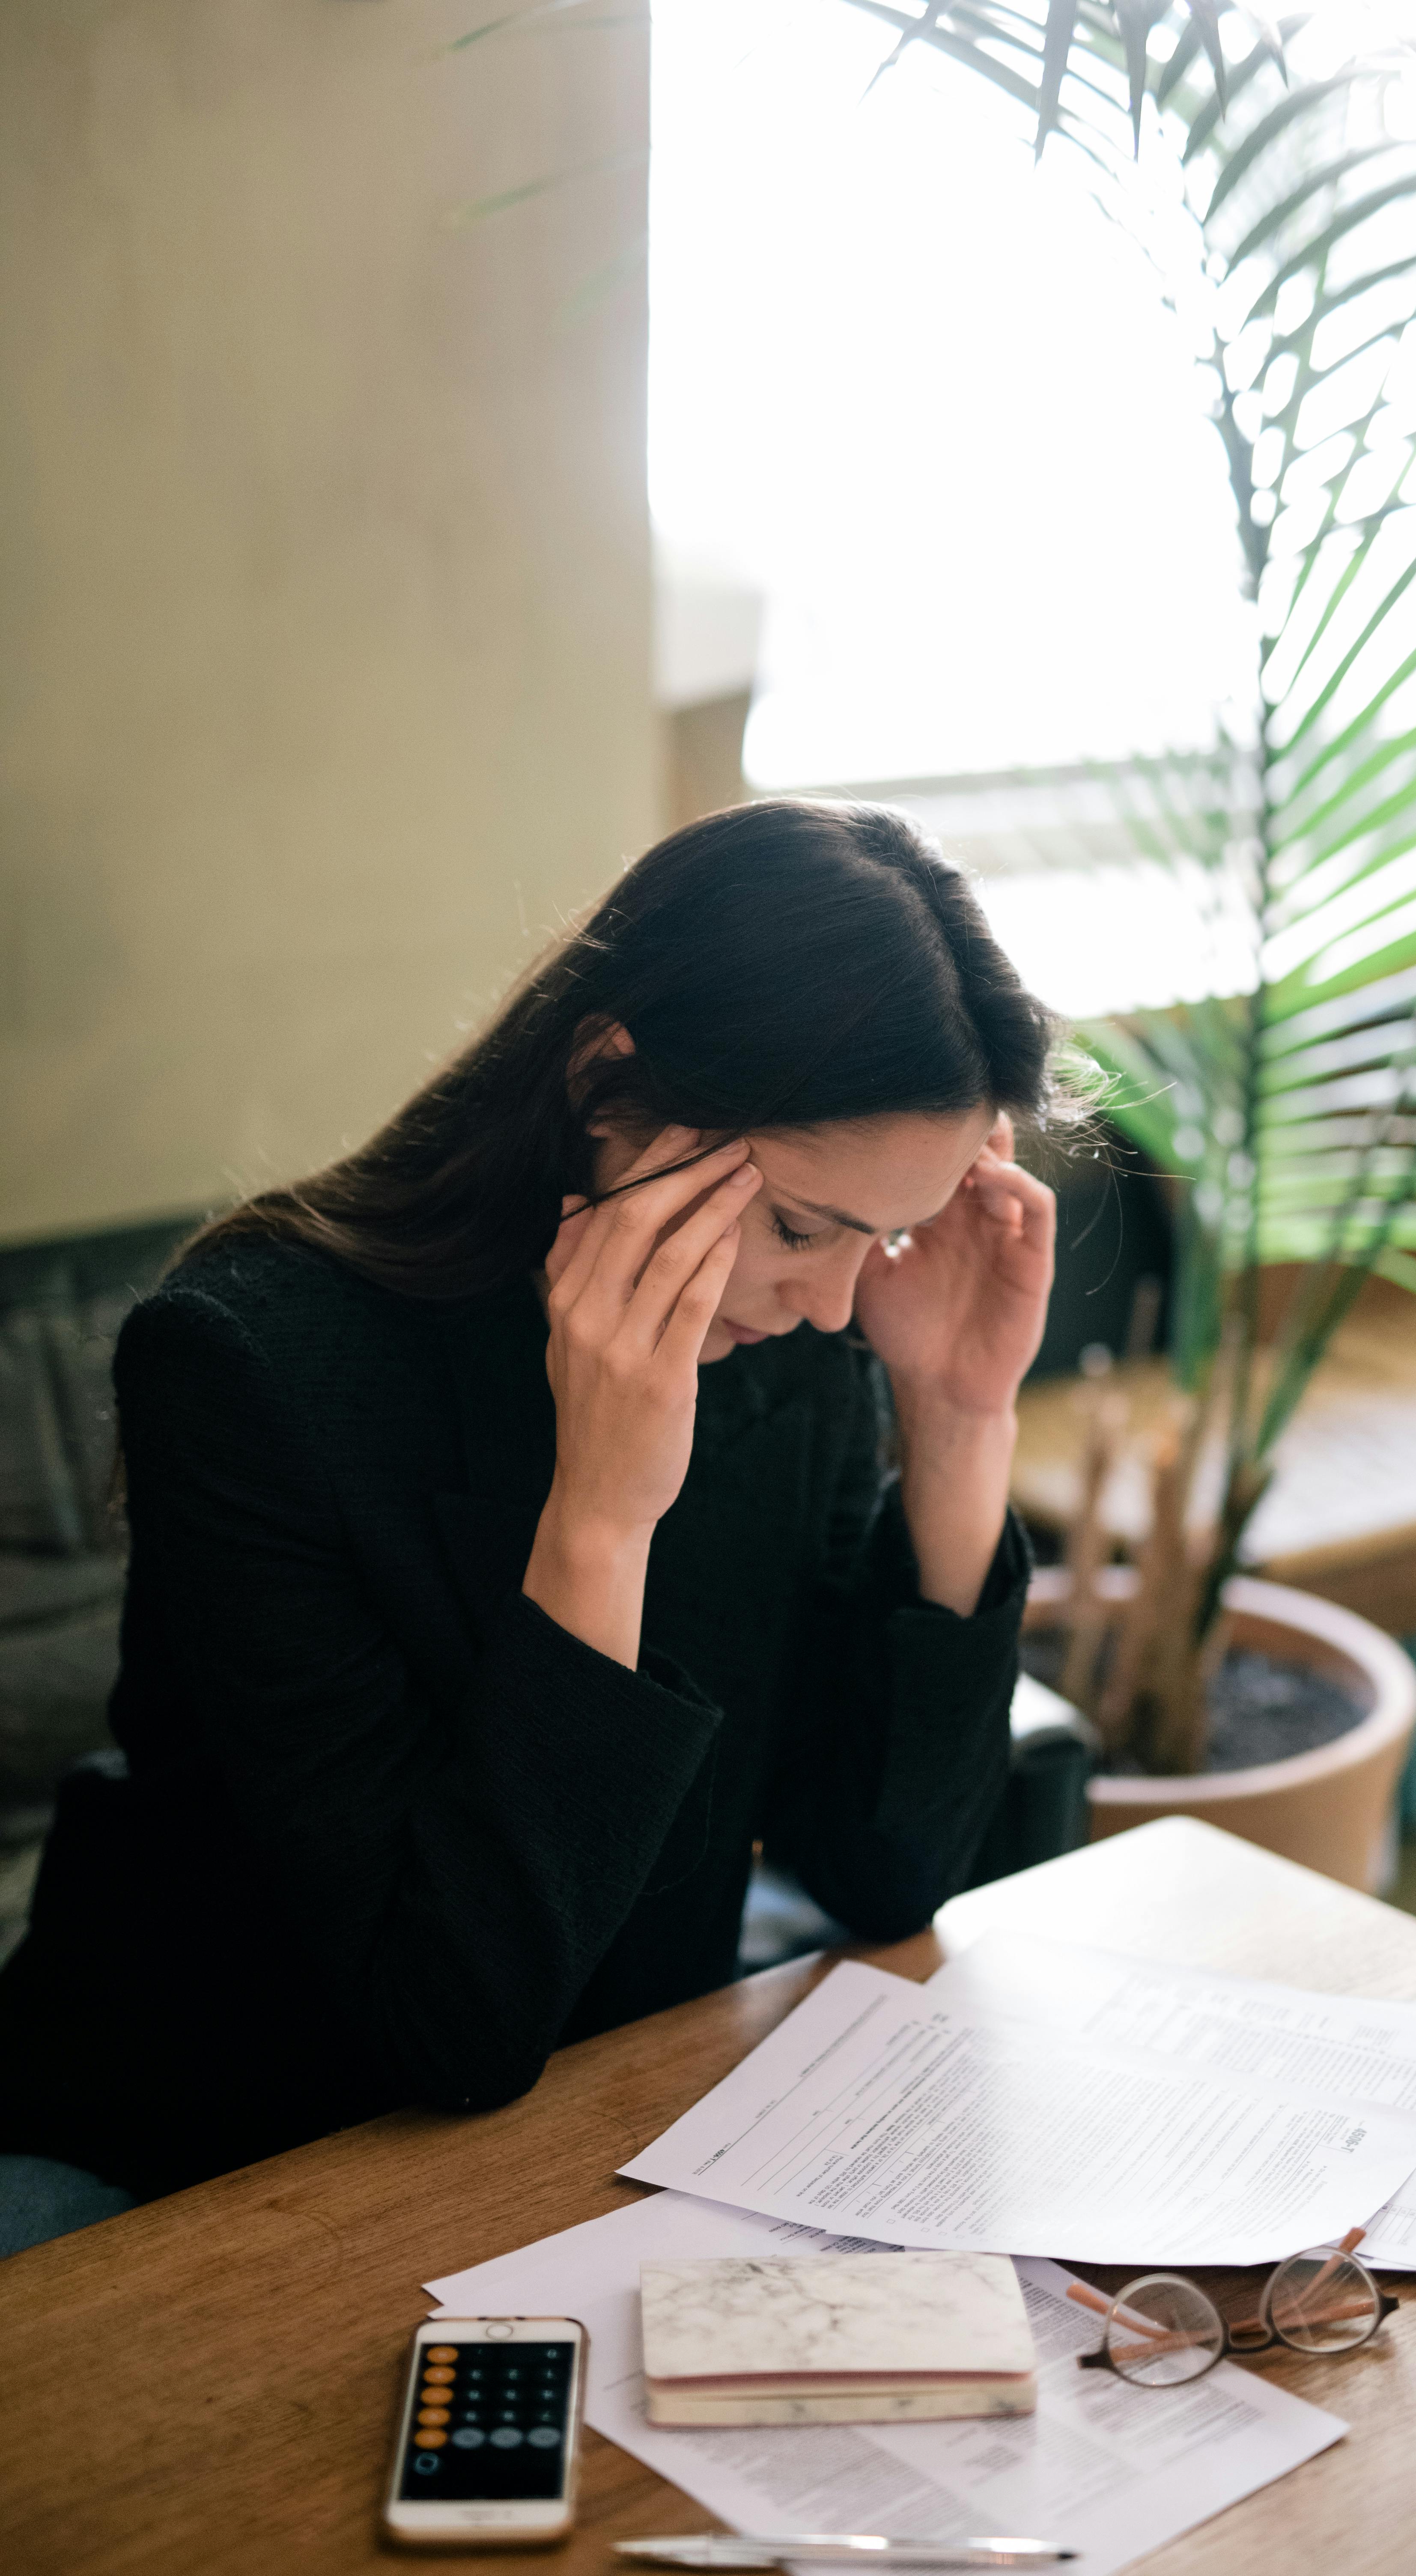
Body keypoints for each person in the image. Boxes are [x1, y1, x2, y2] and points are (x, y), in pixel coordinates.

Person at [0, 799, 1061, 2208]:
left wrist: (957, 1419)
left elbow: (885, 1869)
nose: (830, 1303)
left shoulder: (786, 1352)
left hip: (602, 2124)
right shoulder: (248, 1364)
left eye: (888, 1238)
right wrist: (602, 1524)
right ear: (607, 1084)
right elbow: (450, 2025)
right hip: (229, 2142)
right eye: (802, 1227)